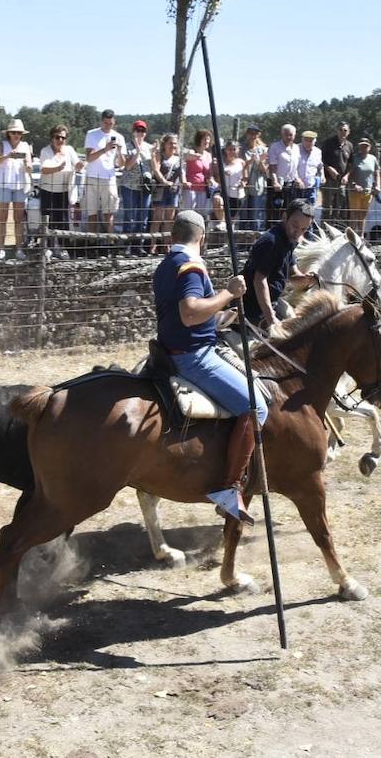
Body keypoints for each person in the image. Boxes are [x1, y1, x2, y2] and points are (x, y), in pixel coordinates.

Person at [152, 209, 264, 526]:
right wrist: (228, 293)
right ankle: (228, 488)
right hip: (194, 357)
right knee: (256, 406)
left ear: (172, 236)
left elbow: (184, 317)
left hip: (181, 347)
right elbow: (189, 313)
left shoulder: (165, 265)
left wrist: (223, 315)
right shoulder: (190, 265)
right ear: (202, 238)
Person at [241, 197, 318, 330]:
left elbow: (293, 275)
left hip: (272, 302)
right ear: (284, 217)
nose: (298, 232)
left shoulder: (288, 241)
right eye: (295, 225)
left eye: (303, 229)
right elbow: (259, 280)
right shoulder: (271, 242)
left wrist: (308, 279)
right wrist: (271, 318)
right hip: (253, 308)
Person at [0, 119, 32, 260]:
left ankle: (19, 249)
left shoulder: (25, 146)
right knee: (2, 218)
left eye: (19, 133)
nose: (16, 135)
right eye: (13, 132)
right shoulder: (2, 145)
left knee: (18, 219)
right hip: (3, 185)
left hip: (20, 185)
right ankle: (1, 249)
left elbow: (30, 166)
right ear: (8, 133)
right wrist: (7, 156)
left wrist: (28, 165)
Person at [38, 124, 80, 260]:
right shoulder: (45, 151)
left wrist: (80, 165)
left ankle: (64, 248)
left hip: (63, 191)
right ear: (52, 138)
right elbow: (44, 169)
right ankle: (48, 248)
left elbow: (77, 164)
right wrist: (58, 168)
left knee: (63, 221)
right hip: (47, 190)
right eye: (57, 137)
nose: (60, 140)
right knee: (48, 220)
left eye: (63, 137)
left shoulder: (69, 150)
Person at [82, 109, 122, 239]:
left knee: (109, 213)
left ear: (114, 122)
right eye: (105, 123)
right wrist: (105, 149)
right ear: (101, 121)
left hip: (109, 177)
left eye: (110, 123)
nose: (108, 126)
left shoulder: (119, 137)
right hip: (92, 176)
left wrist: (120, 152)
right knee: (92, 213)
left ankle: (109, 243)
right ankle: (92, 243)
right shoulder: (91, 134)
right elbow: (89, 158)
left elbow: (121, 164)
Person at [121, 120, 154, 255]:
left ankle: (137, 246)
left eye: (142, 131)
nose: (140, 133)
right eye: (138, 130)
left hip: (144, 187)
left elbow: (154, 167)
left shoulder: (150, 147)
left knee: (143, 218)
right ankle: (125, 247)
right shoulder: (127, 146)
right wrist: (137, 152)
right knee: (129, 217)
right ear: (133, 131)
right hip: (129, 186)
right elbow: (127, 166)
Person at [148, 133, 182, 254]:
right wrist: (164, 181)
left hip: (173, 191)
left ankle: (166, 245)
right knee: (157, 218)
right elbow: (156, 169)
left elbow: (181, 175)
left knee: (169, 219)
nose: (173, 145)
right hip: (160, 189)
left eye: (175, 143)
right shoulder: (160, 156)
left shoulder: (178, 158)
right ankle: (152, 245)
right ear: (165, 144)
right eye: (170, 143)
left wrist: (183, 182)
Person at [320, 121, 352, 229]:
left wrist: (347, 176)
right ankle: (324, 230)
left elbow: (351, 164)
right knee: (327, 208)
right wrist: (329, 169)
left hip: (341, 182)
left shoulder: (349, 146)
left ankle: (334, 231)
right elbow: (322, 159)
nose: (343, 132)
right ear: (336, 130)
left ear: (348, 132)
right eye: (340, 130)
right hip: (329, 180)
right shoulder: (328, 143)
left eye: (345, 130)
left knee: (338, 208)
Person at [266, 124, 299, 225]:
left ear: (294, 135)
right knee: (275, 210)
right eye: (286, 134)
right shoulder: (275, 147)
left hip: (291, 183)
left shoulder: (297, 148)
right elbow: (272, 167)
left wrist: (298, 179)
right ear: (282, 134)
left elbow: (295, 167)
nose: (288, 137)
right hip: (277, 185)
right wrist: (275, 182)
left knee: (289, 210)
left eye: (290, 135)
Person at [347, 139, 379, 234]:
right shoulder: (354, 158)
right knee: (354, 215)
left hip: (367, 192)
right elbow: (349, 173)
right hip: (355, 191)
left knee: (363, 215)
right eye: (362, 146)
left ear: (369, 147)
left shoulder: (373, 158)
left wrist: (378, 185)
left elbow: (377, 172)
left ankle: (361, 236)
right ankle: (351, 237)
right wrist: (354, 185)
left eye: (366, 146)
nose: (364, 148)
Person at [182, 129, 216, 216]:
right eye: (205, 139)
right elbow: (186, 158)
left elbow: (209, 172)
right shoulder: (192, 151)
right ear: (199, 139)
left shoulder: (208, 155)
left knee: (201, 214)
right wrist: (195, 156)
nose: (207, 141)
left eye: (208, 139)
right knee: (189, 213)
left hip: (203, 188)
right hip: (190, 188)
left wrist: (211, 180)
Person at [241, 124, 268, 231]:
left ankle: (255, 240)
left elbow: (264, 171)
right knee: (243, 215)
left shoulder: (263, 150)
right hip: (243, 186)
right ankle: (241, 242)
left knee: (255, 215)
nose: (253, 136)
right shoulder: (241, 149)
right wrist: (251, 160)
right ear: (247, 134)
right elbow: (240, 166)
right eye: (251, 133)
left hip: (257, 186)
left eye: (256, 133)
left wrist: (260, 161)